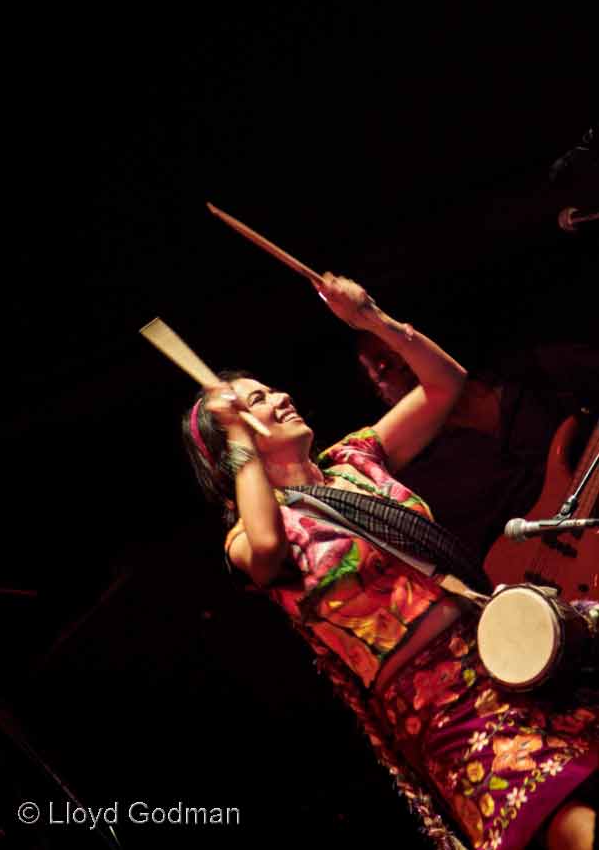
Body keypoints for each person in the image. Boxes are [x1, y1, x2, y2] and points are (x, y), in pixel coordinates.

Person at [183, 274, 598, 850]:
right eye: (256, 402)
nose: (280, 398)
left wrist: (372, 319)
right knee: (572, 824)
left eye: (270, 390)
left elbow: (445, 384)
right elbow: (270, 547)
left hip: (506, 645)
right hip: (444, 706)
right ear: (235, 443)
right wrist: (235, 438)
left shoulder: (355, 459)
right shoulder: (250, 539)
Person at [356, 330, 599, 558]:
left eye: (400, 348)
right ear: (385, 398)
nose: (400, 364)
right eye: (383, 367)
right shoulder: (427, 482)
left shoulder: (538, 372)